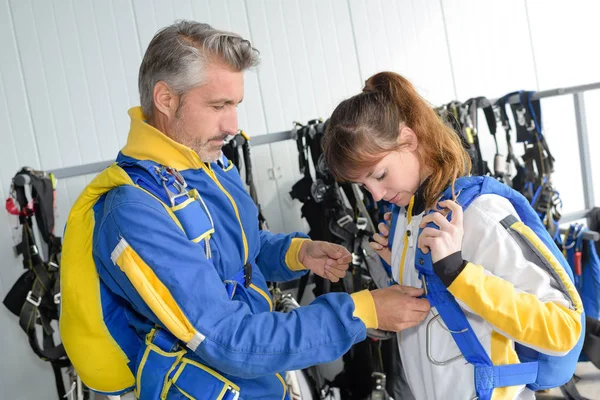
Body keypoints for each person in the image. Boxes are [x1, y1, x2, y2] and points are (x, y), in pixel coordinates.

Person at [59, 21, 430, 399]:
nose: (233, 124)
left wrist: (297, 252)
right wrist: (360, 312)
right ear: (165, 99)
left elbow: (233, 254)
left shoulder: (208, 168)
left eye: (235, 105)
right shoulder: (133, 213)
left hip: (260, 383)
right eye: (218, 106)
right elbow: (228, 340)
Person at [322, 71, 584, 400]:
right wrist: (395, 277)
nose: (374, 194)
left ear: (409, 140)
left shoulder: (480, 213)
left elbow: (563, 329)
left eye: (380, 175)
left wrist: (459, 273)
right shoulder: (405, 218)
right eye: (363, 185)